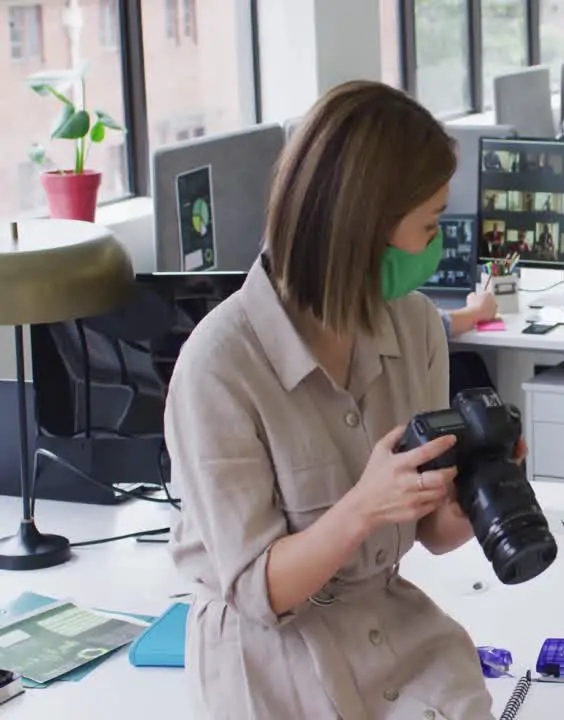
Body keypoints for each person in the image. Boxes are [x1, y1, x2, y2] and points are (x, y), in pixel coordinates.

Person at [164, 81, 529, 719]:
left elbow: (426, 533)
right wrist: (362, 506)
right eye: (430, 225)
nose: (438, 245)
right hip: (270, 659)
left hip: (387, 631)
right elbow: (259, 590)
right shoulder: (218, 368)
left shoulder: (414, 327)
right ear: (363, 232)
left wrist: (480, 499)